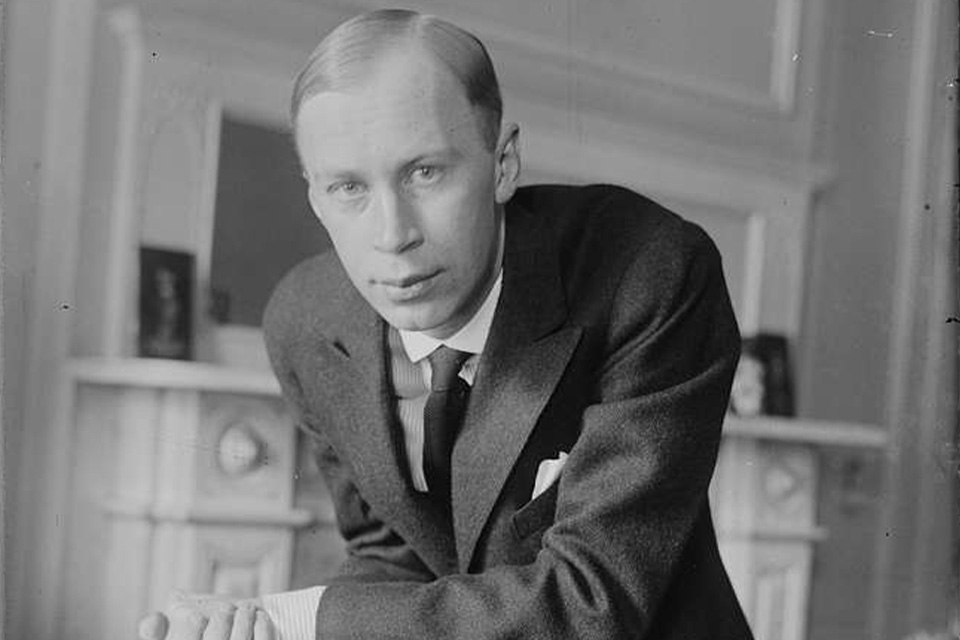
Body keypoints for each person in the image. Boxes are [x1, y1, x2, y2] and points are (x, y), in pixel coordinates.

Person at [141, 8, 752, 640]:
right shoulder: (305, 321)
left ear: (503, 164)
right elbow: (393, 557)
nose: (393, 235)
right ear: (314, 197)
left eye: (425, 173)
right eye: (348, 188)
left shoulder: (650, 271)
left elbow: (590, 602)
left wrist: (298, 617)